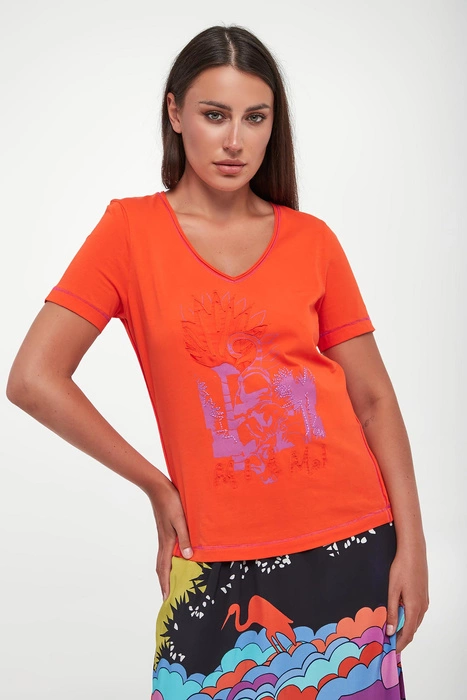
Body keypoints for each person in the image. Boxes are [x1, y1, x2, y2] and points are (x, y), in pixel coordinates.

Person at [6, 24, 428, 700]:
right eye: (214, 115)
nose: (235, 140)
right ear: (175, 114)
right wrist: (157, 485)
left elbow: (373, 400)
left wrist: (413, 546)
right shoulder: (129, 233)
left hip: (350, 538)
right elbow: (32, 379)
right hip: (213, 551)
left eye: (255, 118)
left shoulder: (312, 241)